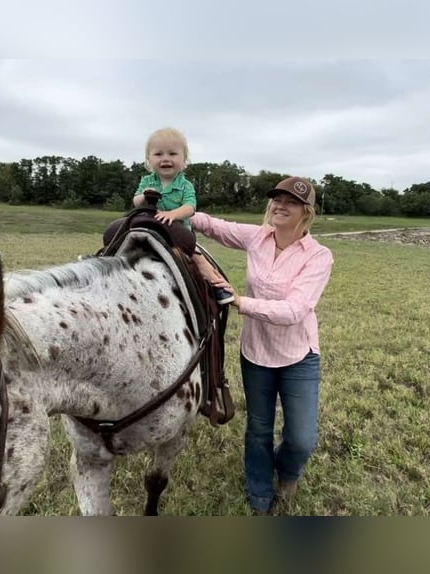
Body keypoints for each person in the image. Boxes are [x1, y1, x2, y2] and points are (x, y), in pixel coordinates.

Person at [191, 176, 334, 515]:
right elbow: (215, 227)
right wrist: (174, 208)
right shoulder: (258, 237)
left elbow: (296, 310)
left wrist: (240, 302)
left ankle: (288, 471)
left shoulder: (318, 256)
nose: (280, 205)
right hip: (256, 351)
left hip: (299, 355)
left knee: (301, 439)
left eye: (291, 202)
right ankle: (259, 491)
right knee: (259, 428)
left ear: (306, 212)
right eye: (276, 199)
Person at [103, 127, 234, 304]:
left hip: (176, 230)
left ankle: (214, 283)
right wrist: (144, 196)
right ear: (149, 159)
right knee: (117, 237)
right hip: (147, 223)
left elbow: (190, 207)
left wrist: (173, 214)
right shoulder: (147, 181)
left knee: (193, 256)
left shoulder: (185, 185)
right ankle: (102, 264)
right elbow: (136, 201)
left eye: (172, 154)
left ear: (184, 160)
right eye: (158, 154)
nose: (165, 158)